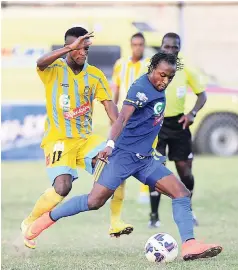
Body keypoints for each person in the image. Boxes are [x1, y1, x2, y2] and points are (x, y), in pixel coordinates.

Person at [24, 52, 222, 261]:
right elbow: (122, 118)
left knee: (181, 193)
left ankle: (189, 244)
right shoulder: (140, 89)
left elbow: (149, 124)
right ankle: (43, 221)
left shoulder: (158, 87)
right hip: (122, 157)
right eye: (162, 75)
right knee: (94, 201)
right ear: (152, 69)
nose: (165, 81)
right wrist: (110, 144)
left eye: (170, 77)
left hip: (144, 160)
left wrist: (152, 151)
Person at [21, 27, 132, 249]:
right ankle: (30, 222)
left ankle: (115, 222)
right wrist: (68, 48)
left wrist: (122, 132)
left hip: (85, 139)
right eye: (78, 48)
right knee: (63, 187)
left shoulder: (95, 75)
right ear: (69, 48)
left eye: (86, 49)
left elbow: (110, 106)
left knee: (116, 165)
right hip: (58, 139)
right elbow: (40, 62)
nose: (83, 53)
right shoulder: (53, 69)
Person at [148, 33, 207, 228]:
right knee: (155, 169)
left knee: (185, 171)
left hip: (178, 125)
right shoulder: (151, 67)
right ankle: (154, 217)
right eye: (167, 47)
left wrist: (192, 114)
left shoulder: (185, 68)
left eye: (175, 47)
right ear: (161, 46)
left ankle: (188, 210)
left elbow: (202, 95)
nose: (171, 50)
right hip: (156, 125)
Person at [109, 33, 151, 233]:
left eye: (141, 44)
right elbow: (115, 88)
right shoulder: (120, 64)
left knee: (145, 151)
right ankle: (118, 186)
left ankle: (145, 190)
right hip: (124, 117)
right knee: (121, 153)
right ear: (130, 45)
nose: (137, 48)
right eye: (134, 44)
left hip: (142, 118)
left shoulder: (150, 64)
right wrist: (113, 114)